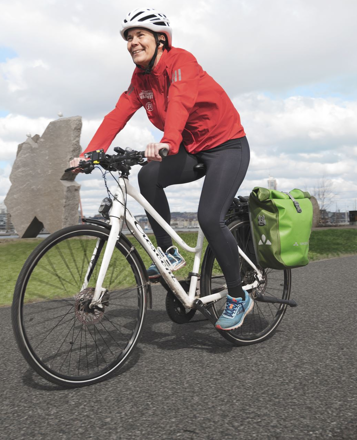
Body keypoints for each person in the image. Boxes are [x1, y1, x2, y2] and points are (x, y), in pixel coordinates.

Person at [70, 8, 252, 331]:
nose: (132, 42)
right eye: (129, 37)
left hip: (227, 145)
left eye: (140, 35)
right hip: (192, 148)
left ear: (161, 40)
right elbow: (117, 114)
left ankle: (238, 296)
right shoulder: (140, 79)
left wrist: (168, 140)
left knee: (209, 217)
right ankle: (169, 253)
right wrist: (89, 155)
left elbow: (180, 101)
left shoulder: (182, 62)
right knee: (147, 175)